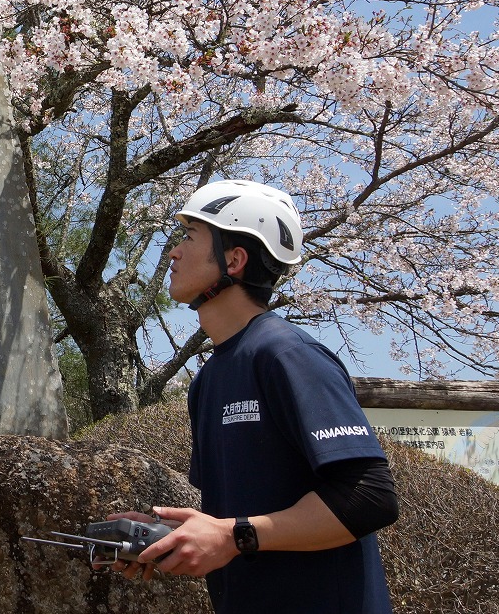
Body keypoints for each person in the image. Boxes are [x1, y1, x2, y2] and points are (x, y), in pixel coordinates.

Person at [107, 179, 399, 614]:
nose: (172, 252)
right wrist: (164, 535)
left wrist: (233, 536)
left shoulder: (288, 355)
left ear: (235, 259)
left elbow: (369, 496)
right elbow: (240, 515)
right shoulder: (209, 379)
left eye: (188, 238)